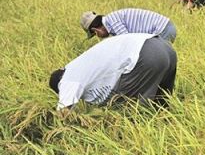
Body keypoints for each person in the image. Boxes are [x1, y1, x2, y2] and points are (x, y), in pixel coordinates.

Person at [49, 33, 177, 112]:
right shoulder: (79, 65)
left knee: (126, 110)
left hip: (144, 55)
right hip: (164, 47)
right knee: (161, 106)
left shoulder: (68, 79)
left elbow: (63, 111)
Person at [80, 8, 177, 43]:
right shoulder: (112, 22)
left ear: (96, 30)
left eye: (96, 35)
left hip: (163, 29)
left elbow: (128, 42)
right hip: (165, 28)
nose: (99, 37)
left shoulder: (113, 21)